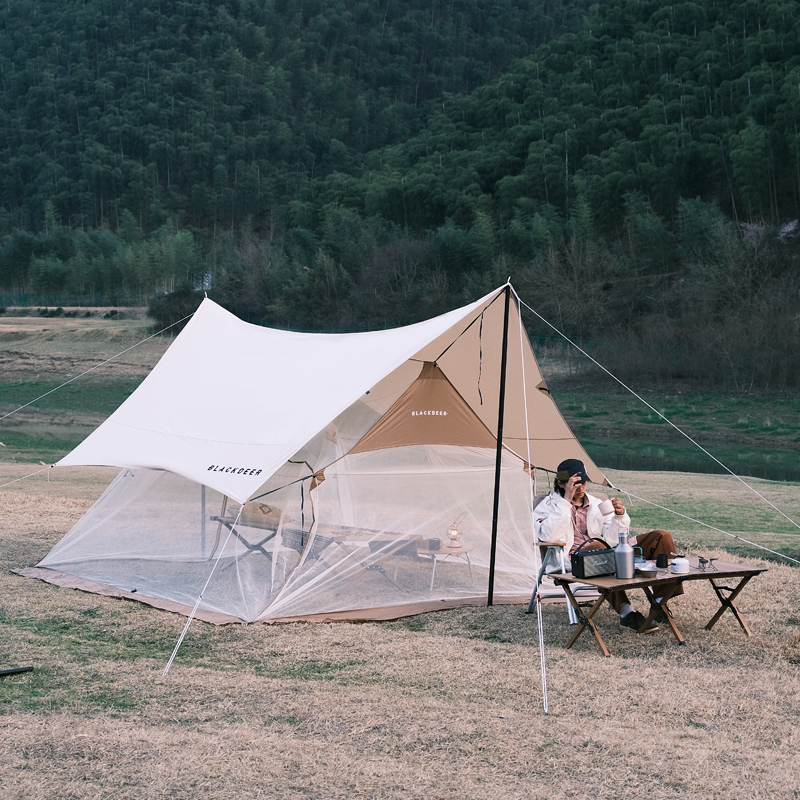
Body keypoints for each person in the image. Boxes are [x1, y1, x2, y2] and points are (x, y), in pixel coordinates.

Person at [534, 458, 682, 634]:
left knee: (661, 537)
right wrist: (566, 501)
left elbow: (613, 539)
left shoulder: (596, 503)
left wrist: (619, 517)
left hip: (609, 550)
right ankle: (627, 613)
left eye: (583, 482)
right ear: (561, 483)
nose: (580, 488)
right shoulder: (548, 506)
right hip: (574, 559)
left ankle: (659, 603)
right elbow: (547, 535)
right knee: (596, 549)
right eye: (574, 484)